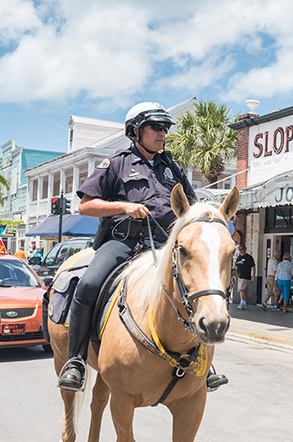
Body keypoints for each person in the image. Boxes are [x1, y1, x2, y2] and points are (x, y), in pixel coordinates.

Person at [57, 101, 227, 392]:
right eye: (156, 127)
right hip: (123, 242)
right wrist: (124, 206)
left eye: (165, 128)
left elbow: (192, 206)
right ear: (135, 130)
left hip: (163, 244)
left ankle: (204, 362)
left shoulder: (171, 166)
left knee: (194, 289)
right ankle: (75, 361)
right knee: (89, 284)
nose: (162, 133)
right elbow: (86, 206)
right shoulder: (116, 162)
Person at [235, 245, 255, 310]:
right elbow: (236, 267)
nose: (240, 250)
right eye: (239, 249)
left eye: (241, 249)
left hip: (246, 276)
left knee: (241, 289)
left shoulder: (248, 257)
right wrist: (236, 275)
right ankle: (244, 302)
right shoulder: (239, 257)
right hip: (240, 276)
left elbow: (253, 267)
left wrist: (253, 276)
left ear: (245, 249)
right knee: (242, 290)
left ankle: (241, 303)